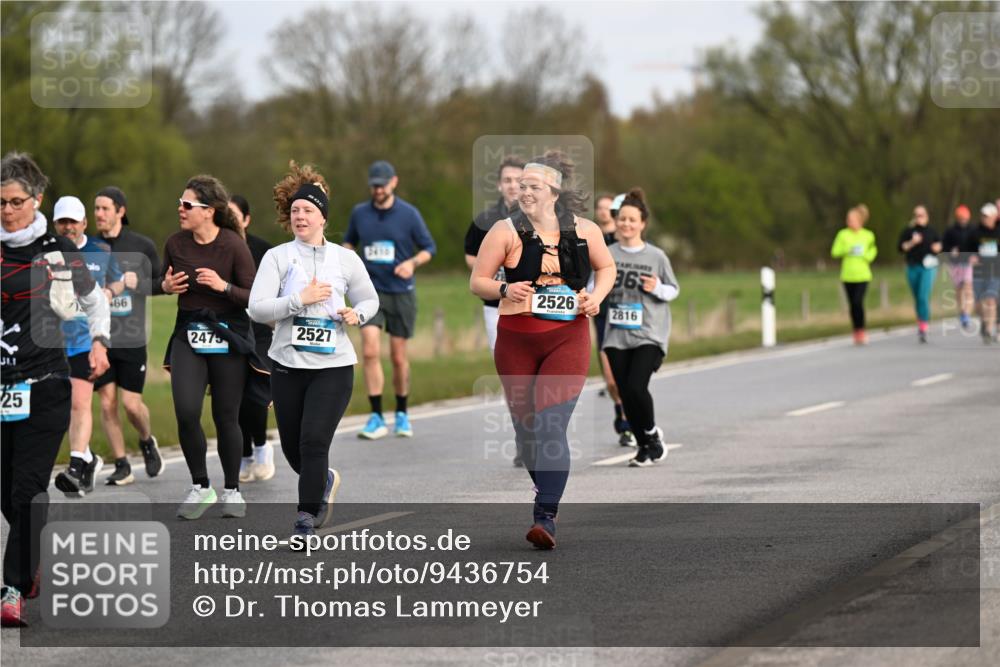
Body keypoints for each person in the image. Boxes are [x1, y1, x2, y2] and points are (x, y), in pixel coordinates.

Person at [471, 151, 615, 550]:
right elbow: (477, 281)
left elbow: (606, 268)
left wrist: (595, 297)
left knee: (551, 427)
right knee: (527, 433)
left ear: (554, 192)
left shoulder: (585, 230)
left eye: (533, 186)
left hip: (567, 339)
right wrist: (504, 288)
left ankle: (545, 516)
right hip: (515, 339)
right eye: (521, 185)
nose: (523, 191)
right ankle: (546, 490)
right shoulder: (503, 231)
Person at [1, 152, 110, 627]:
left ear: (37, 200)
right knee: (7, 493)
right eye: (0, 202)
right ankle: (30, 560)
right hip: (2, 387)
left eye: (16, 202)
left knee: (27, 490)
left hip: (45, 385)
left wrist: (100, 340)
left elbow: (93, 301)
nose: (7, 211)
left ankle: (10, 589)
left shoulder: (59, 252)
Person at [250, 163, 378, 540]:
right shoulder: (277, 257)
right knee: (294, 448)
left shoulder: (345, 259)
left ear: (323, 216)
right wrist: (297, 300)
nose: (299, 216)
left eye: (307, 210)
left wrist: (358, 313)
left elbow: (370, 298)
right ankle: (323, 481)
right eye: (294, 211)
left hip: (334, 366)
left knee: (313, 441)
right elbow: (257, 308)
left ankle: (305, 519)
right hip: (287, 364)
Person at [160, 175, 256, 520]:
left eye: (187, 205)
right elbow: (162, 280)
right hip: (189, 332)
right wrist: (166, 285)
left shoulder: (233, 245)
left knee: (226, 415)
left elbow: (253, 296)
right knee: (186, 411)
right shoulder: (175, 243)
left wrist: (223, 286)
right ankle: (201, 486)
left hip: (228, 333)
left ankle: (232, 490)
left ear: (209, 211)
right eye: (180, 203)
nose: (180, 210)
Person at [343, 160, 436, 440]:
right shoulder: (360, 213)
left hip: (401, 292)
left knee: (398, 356)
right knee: (370, 351)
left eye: (382, 185)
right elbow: (349, 242)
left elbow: (429, 247)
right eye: (373, 185)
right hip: (370, 293)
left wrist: (412, 263)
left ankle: (402, 413)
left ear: (393, 182)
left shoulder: (409, 214)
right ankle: (376, 416)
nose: (377, 189)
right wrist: (347, 261)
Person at [601, 188, 680, 466]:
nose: (626, 224)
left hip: (649, 332)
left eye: (632, 220)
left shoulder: (656, 256)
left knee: (636, 387)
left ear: (642, 223)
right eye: (622, 219)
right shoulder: (606, 254)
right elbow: (592, 286)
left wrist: (657, 287)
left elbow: (673, 290)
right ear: (617, 221)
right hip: (616, 334)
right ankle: (644, 448)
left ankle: (650, 433)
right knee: (624, 394)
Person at [51, 196, 124, 496]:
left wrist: (108, 291)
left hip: (84, 339)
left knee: (81, 403)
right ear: (55, 224)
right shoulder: (44, 254)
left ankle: (76, 466)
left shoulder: (101, 251)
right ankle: (90, 459)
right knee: (61, 408)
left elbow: (119, 282)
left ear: (83, 223)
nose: (68, 227)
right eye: (62, 222)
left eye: (73, 221)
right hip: (51, 343)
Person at [92, 186, 164, 485]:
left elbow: (162, 284)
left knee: (132, 406)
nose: (98, 214)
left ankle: (147, 440)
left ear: (121, 211)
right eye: (95, 208)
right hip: (100, 338)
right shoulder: (89, 247)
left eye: (105, 208)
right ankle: (122, 464)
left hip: (132, 338)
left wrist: (138, 282)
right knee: (107, 403)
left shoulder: (141, 245)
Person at [230, 195, 276, 483]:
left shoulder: (264, 252)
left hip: (259, 332)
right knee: (231, 398)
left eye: (235, 216)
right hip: (230, 331)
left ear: (246, 219)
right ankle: (245, 454)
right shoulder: (216, 249)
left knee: (254, 395)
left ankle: (261, 447)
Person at [464, 155, 524, 353]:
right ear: (499, 185)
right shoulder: (484, 220)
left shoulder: (540, 219)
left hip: (529, 303)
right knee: (503, 359)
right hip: (495, 303)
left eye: (518, 180)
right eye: (507, 180)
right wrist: (491, 269)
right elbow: (470, 256)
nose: (513, 185)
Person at [593, 192, 632, 446]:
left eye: (612, 210)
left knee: (630, 374)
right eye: (603, 209)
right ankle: (620, 410)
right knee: (611, 378)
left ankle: (629, 422)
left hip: (628, 311)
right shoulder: (591, 237)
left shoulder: (629, 242)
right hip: (604, 312)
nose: (607, 213)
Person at [830, 204, 878, 345]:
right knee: (852, 305)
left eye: (852, 219)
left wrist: (866, 255)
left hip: (863, 274)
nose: (849, 221)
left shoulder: (868, 235)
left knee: (858, 302)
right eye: (848, 219)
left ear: (860, 220)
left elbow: (873, 251)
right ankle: (856, 330)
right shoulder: (842, 234)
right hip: (847, 274)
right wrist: (847, 249)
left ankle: (862, 330)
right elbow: (834, 252)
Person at [897, 205, 942, 343]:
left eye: (922, 215)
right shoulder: (908, 231)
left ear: (926, 216)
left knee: (923, 295)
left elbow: (939, 246)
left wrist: (937, 248)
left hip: (928, 267)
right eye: (917, 215)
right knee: (917, 297)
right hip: (912, 266)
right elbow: (900, 248)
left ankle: (923, 325)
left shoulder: (932, 231)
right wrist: (912, 242)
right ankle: (921, 320)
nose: (919, 217)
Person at [942, 204, 978, 331]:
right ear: (957, 218)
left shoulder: (973, 230)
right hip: (956, 263)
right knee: (959, 289)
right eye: (961, 218)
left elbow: (978, 246)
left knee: (968, 287)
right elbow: (944, 247)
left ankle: (967, 314)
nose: (963, 220)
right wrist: (950, 251)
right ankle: (962, 312)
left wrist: (975, 256)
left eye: (965, 218)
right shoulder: (950, 231)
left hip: (968, 262)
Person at [970, 203, 999, 344]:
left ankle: (988, 330)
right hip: (979, 272)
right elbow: (966, 250)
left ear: (995, 217)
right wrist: (971, 257)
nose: (984, 218)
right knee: (978, 304)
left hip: (995, 271)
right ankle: (983, 321)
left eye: (987, 216)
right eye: (983, 216)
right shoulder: (975, 232)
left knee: (991, 300)